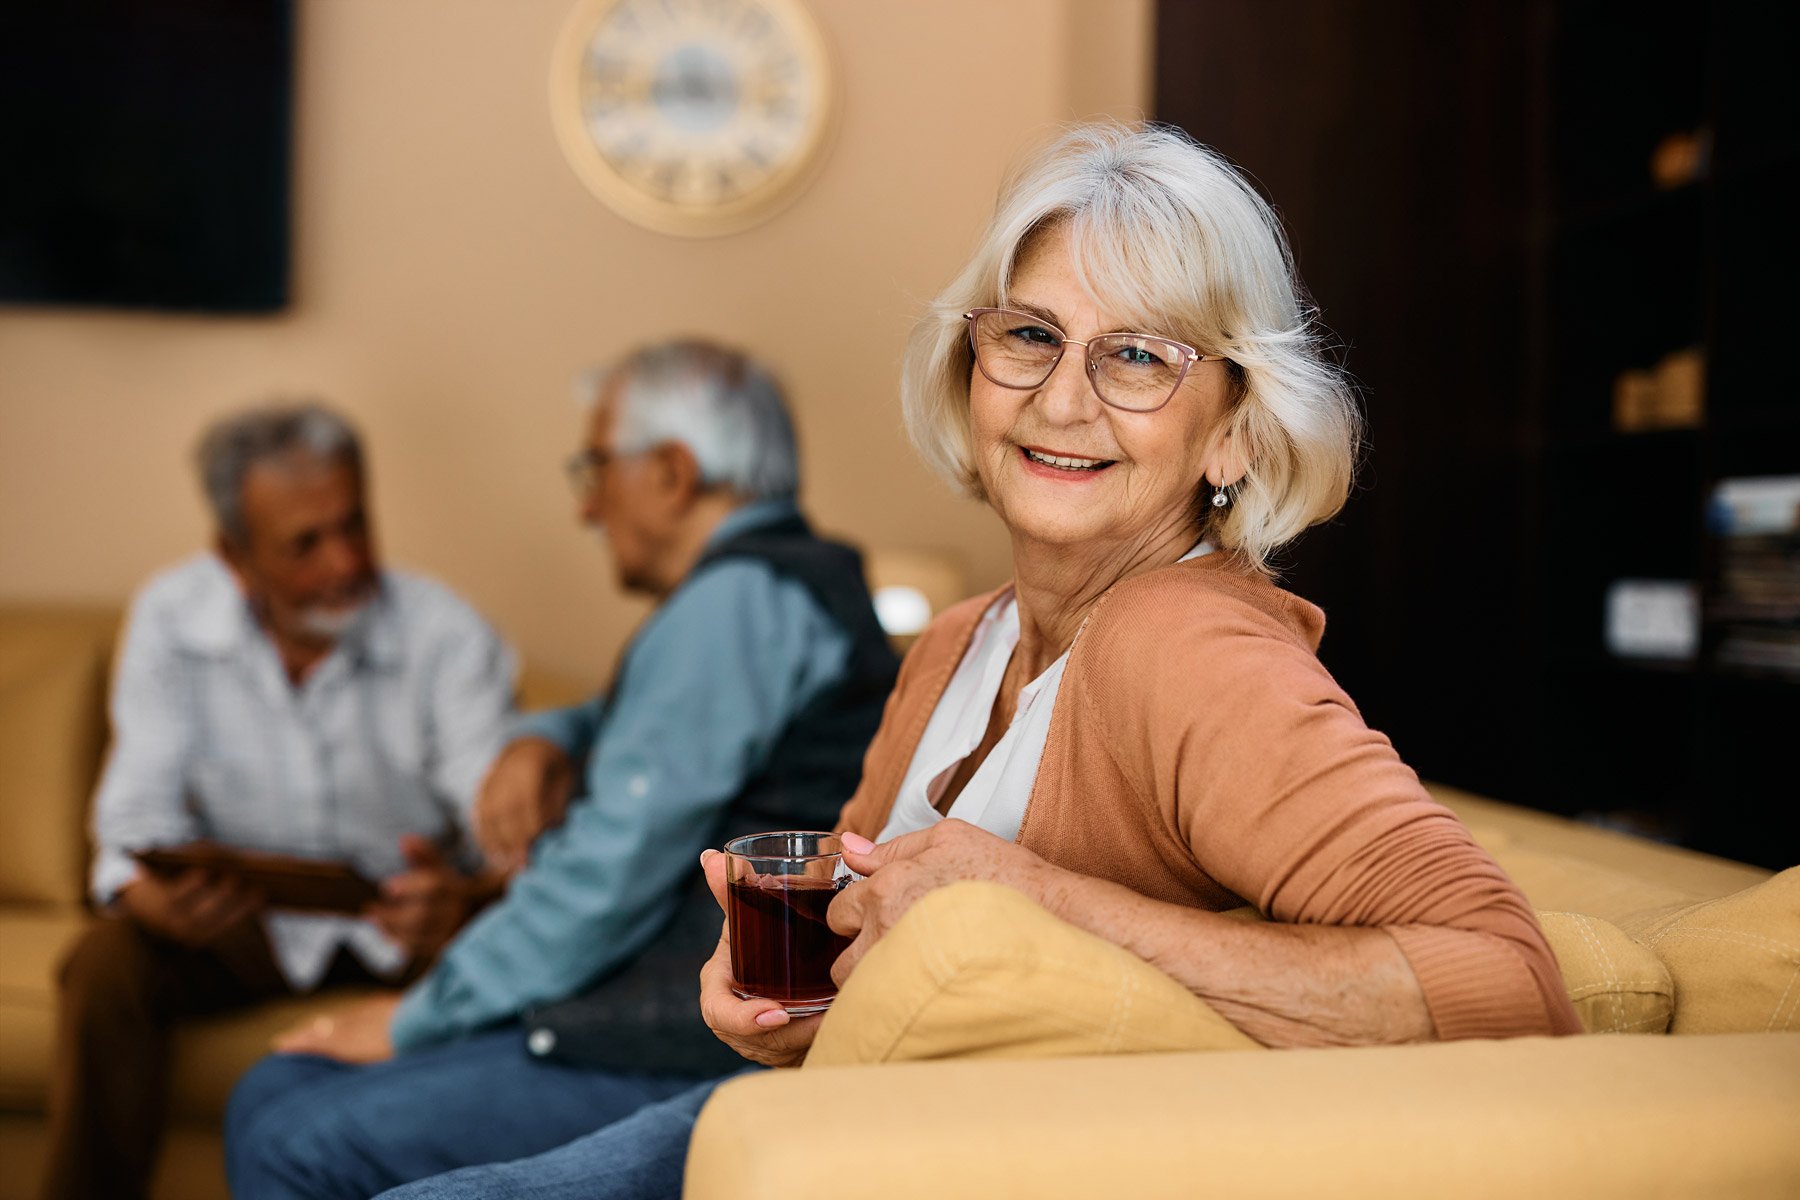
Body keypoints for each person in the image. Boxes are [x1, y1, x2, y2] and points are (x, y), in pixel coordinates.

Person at [357, 120, 1581, 1200]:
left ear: (1235, 436)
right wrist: (784, 995)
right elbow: (887, 966)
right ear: (970, 370)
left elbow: (1509, 984)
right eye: (1031, 336)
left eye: (1140, 356)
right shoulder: (956, 642)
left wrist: (1039, 900)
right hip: (836, 1134)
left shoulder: (1187, 647)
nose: (1062, 400)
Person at [224, 340, 900, 1199]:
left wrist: (414, 1017)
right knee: (277, 1090)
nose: (586, 508)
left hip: (683, 1047)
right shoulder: (776, 589)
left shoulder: (731, 607)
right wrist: (550, 733)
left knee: (294, 1137)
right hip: (650, 1016)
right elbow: (643, 727)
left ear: (671, 472)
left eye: (596, 469)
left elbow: (600, 880)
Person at [42, 403, 517, 1200]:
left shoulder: (447, 633)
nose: (346, 561)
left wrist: (462, 898)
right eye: (307, 542)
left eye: (354, 524)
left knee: (509, 955)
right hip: (240, 927)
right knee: (102, 966)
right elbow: (134, 816)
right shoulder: (170, 617)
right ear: (234, 554)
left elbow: (501, 825)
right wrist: (150, 897)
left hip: (401, 925)